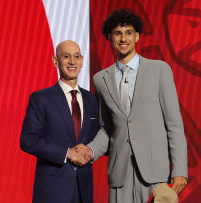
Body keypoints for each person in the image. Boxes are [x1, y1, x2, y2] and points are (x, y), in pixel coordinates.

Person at [77, 9, 188, 203]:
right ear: (109, 37)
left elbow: (174, 125)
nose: (123, 38)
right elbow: (107, 129)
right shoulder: (100, 79)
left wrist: (179, 170)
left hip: (156, 176)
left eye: (128, 32)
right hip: (120, 177)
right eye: (118, 33)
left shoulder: (160, 70)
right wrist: (90, 151)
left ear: (137, 36)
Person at [20, 40, 98, 203]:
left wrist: (90, 150)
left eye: (76, 57)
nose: (72, 62)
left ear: (82, 61)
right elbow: (28, 140)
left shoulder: (92, 100)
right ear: (55, 61)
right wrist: (66, 153)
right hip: (52, 189)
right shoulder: (41, 98)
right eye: (66, 56)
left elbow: (100, 137)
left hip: (83, 188)